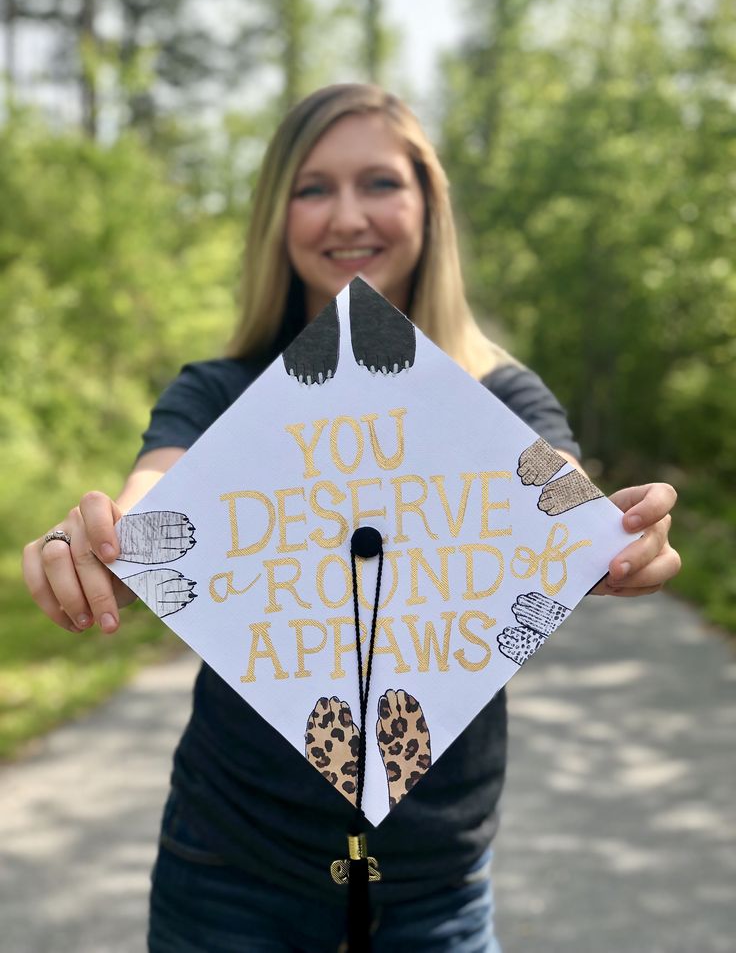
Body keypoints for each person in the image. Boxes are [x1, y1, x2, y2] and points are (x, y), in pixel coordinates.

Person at [22, 83, 680, 952]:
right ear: (276, 217)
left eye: (379, 182)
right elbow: (153, 497)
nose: (346, 215)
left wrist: (622, 539)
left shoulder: (502, 397)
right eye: (312, 187)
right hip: (229, 870)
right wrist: (100, 542)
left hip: (437, 881)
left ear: (427, 205)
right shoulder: (216, 392)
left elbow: (561, 497)